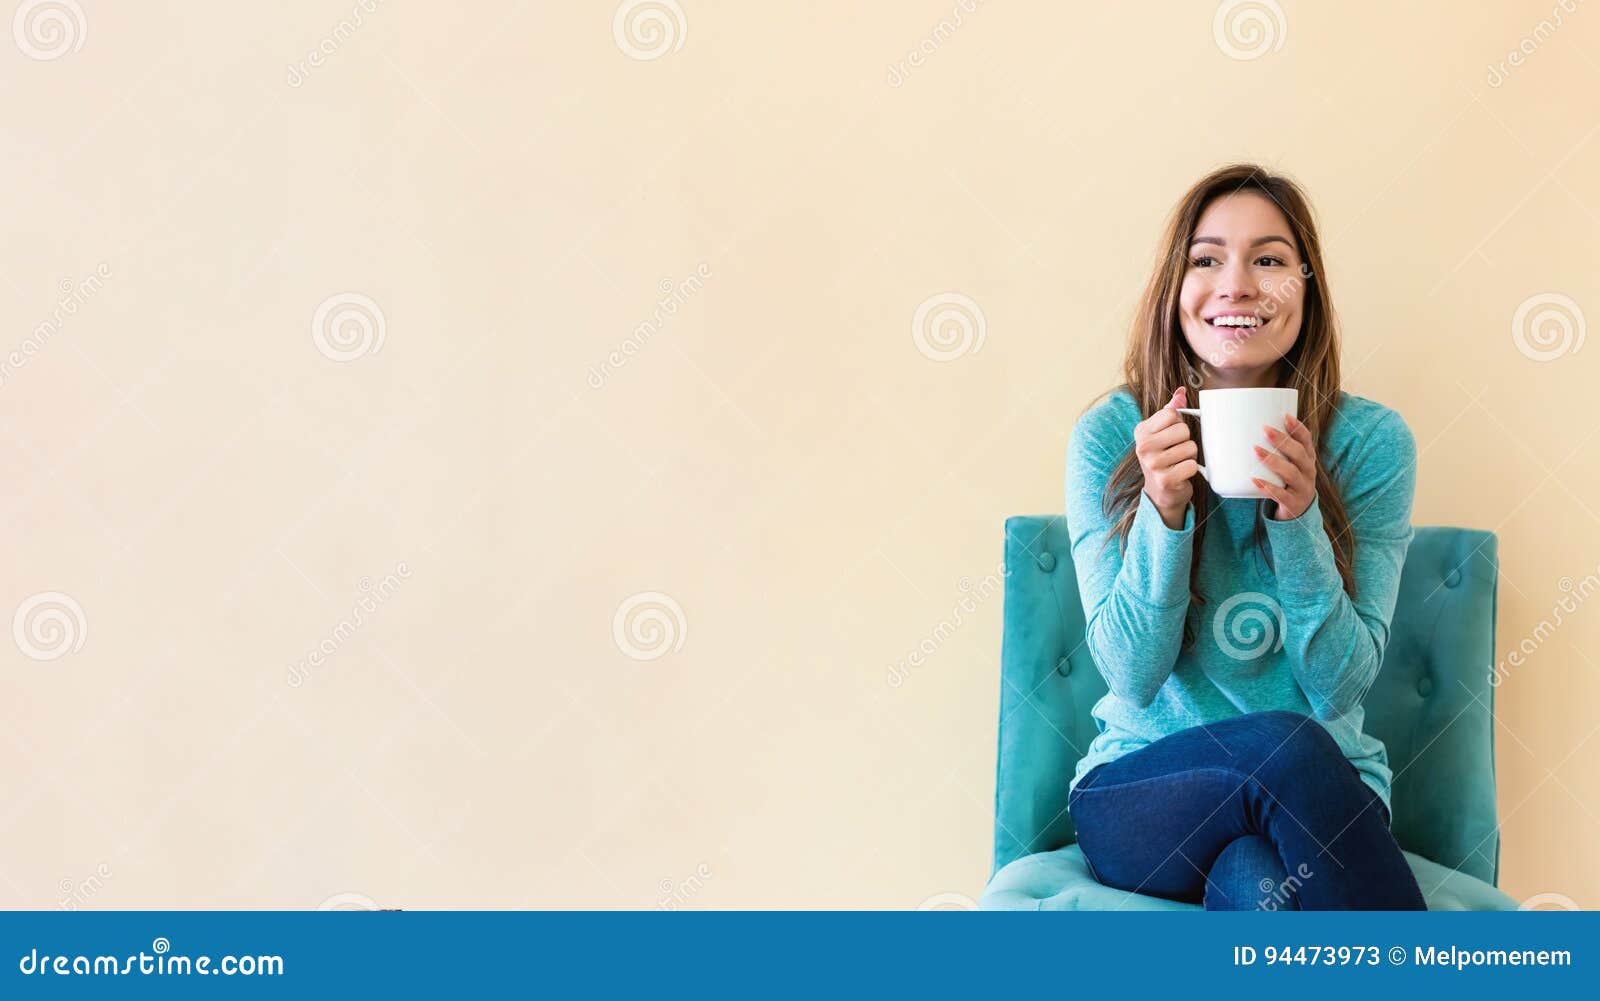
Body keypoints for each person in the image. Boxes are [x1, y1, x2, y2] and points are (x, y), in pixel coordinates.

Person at [1064, 163, 1426, 910]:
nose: (1236, 284)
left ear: (1307, 286)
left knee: (1256, 884)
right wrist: (1164, 512)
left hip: (1320, 797)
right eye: (1206, 259)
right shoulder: (1111, 433)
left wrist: (1298, 525)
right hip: (1144, 794)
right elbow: (1131, 676)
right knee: (1283, 745)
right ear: (1176, 289)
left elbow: (1339, 685)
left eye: (1268, 258)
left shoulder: (1371, 443)